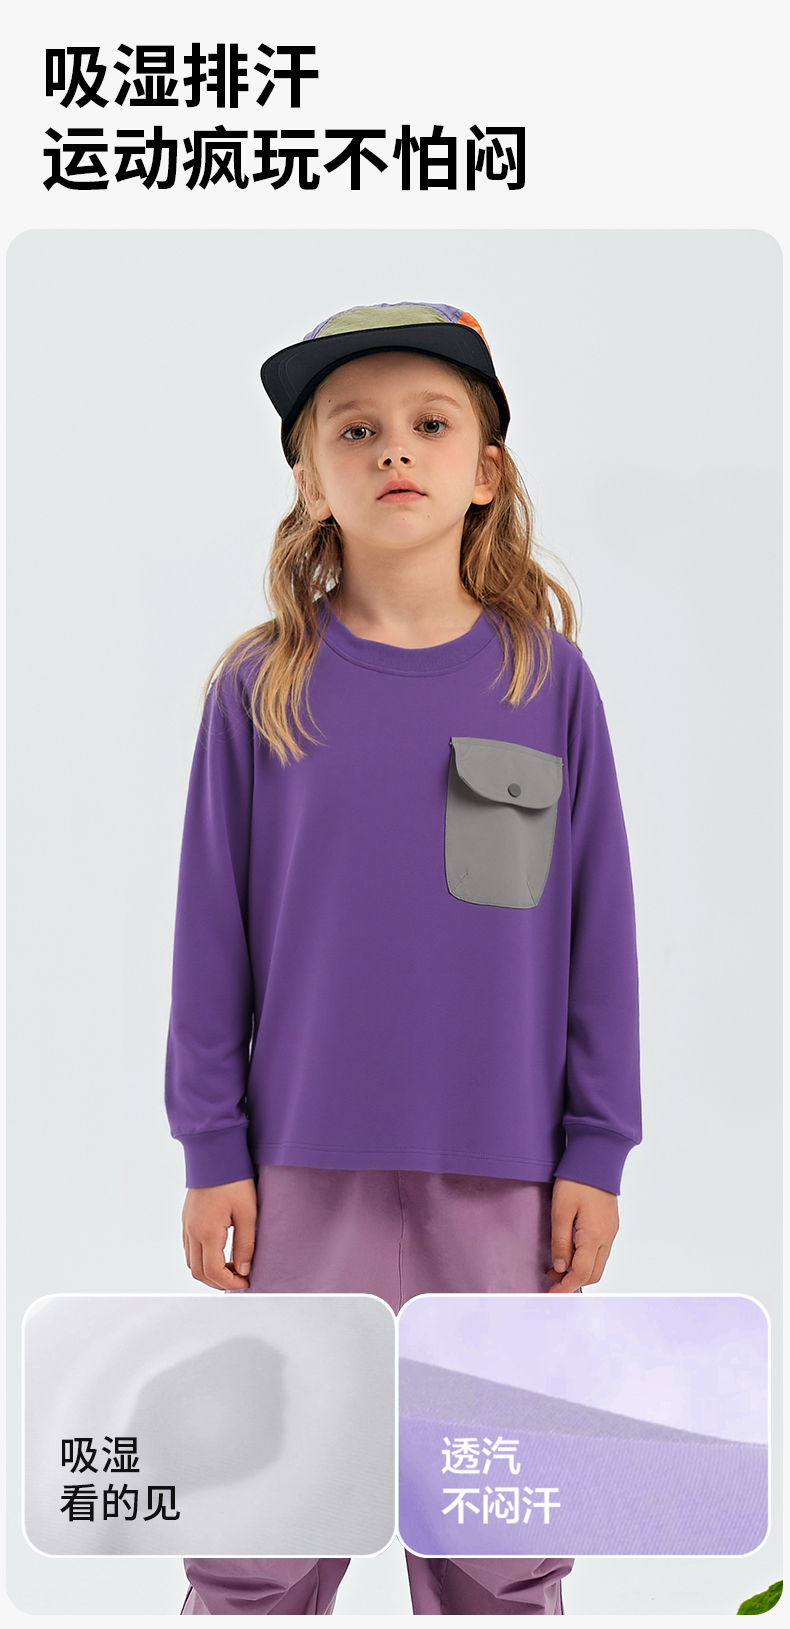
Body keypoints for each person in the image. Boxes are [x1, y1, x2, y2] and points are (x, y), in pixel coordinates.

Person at [165, 301, 642, 1615]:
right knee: (261, 1526)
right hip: (295, 1172)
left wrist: (596, 1151)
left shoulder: (545, 683)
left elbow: (598, 932)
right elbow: (209, 935)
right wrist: (210, 1149)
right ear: (309, 481)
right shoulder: (259, 687)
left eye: (430, 424)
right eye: (355, 430)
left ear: (485, 469)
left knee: (501, 1530)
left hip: (503, 1173)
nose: (394, 451)